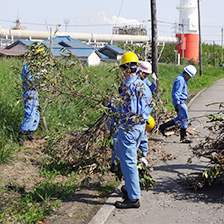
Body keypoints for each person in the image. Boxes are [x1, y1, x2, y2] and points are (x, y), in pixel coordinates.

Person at [112, 52, 152, 209]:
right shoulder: (143, 84)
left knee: (128, 163)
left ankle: (133, 198)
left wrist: (113, 105)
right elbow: (147, 106)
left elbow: (129, 111)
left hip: (128, 128)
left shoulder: (129, 86)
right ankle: (129, 188)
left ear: (124, 68)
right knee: (130, 160)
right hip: (140, 128)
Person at [159, 65, 197, 143]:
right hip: (180, 102)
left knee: (180, 119)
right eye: (189, 76)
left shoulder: (183, 79)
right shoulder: (180, 80)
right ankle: (183, 137)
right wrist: (177, 104)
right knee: (185, 119)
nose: (189, 78)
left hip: (180, 101)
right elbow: (177, 94)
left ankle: (163, 126)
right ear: (186, 73)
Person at [137, 61, 157, 165]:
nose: (146, 76)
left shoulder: (145, 80)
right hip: (138, 115)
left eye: (147, 74)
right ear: (140, 71)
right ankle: (136, 157)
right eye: (145, 73)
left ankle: (143, 156)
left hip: (145, 114)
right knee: (137, 137)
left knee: (143, 136)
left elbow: (150, 90)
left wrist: (154, 84)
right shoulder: (134, 81)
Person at [17, 62, 40, 146]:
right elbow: (30, 79)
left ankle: (30, 133)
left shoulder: (38, 64)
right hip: (29, 91)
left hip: (34, 91)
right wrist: (41, 76)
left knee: (36, 113)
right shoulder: (28, 65)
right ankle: (21, 135)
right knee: (30, 114)